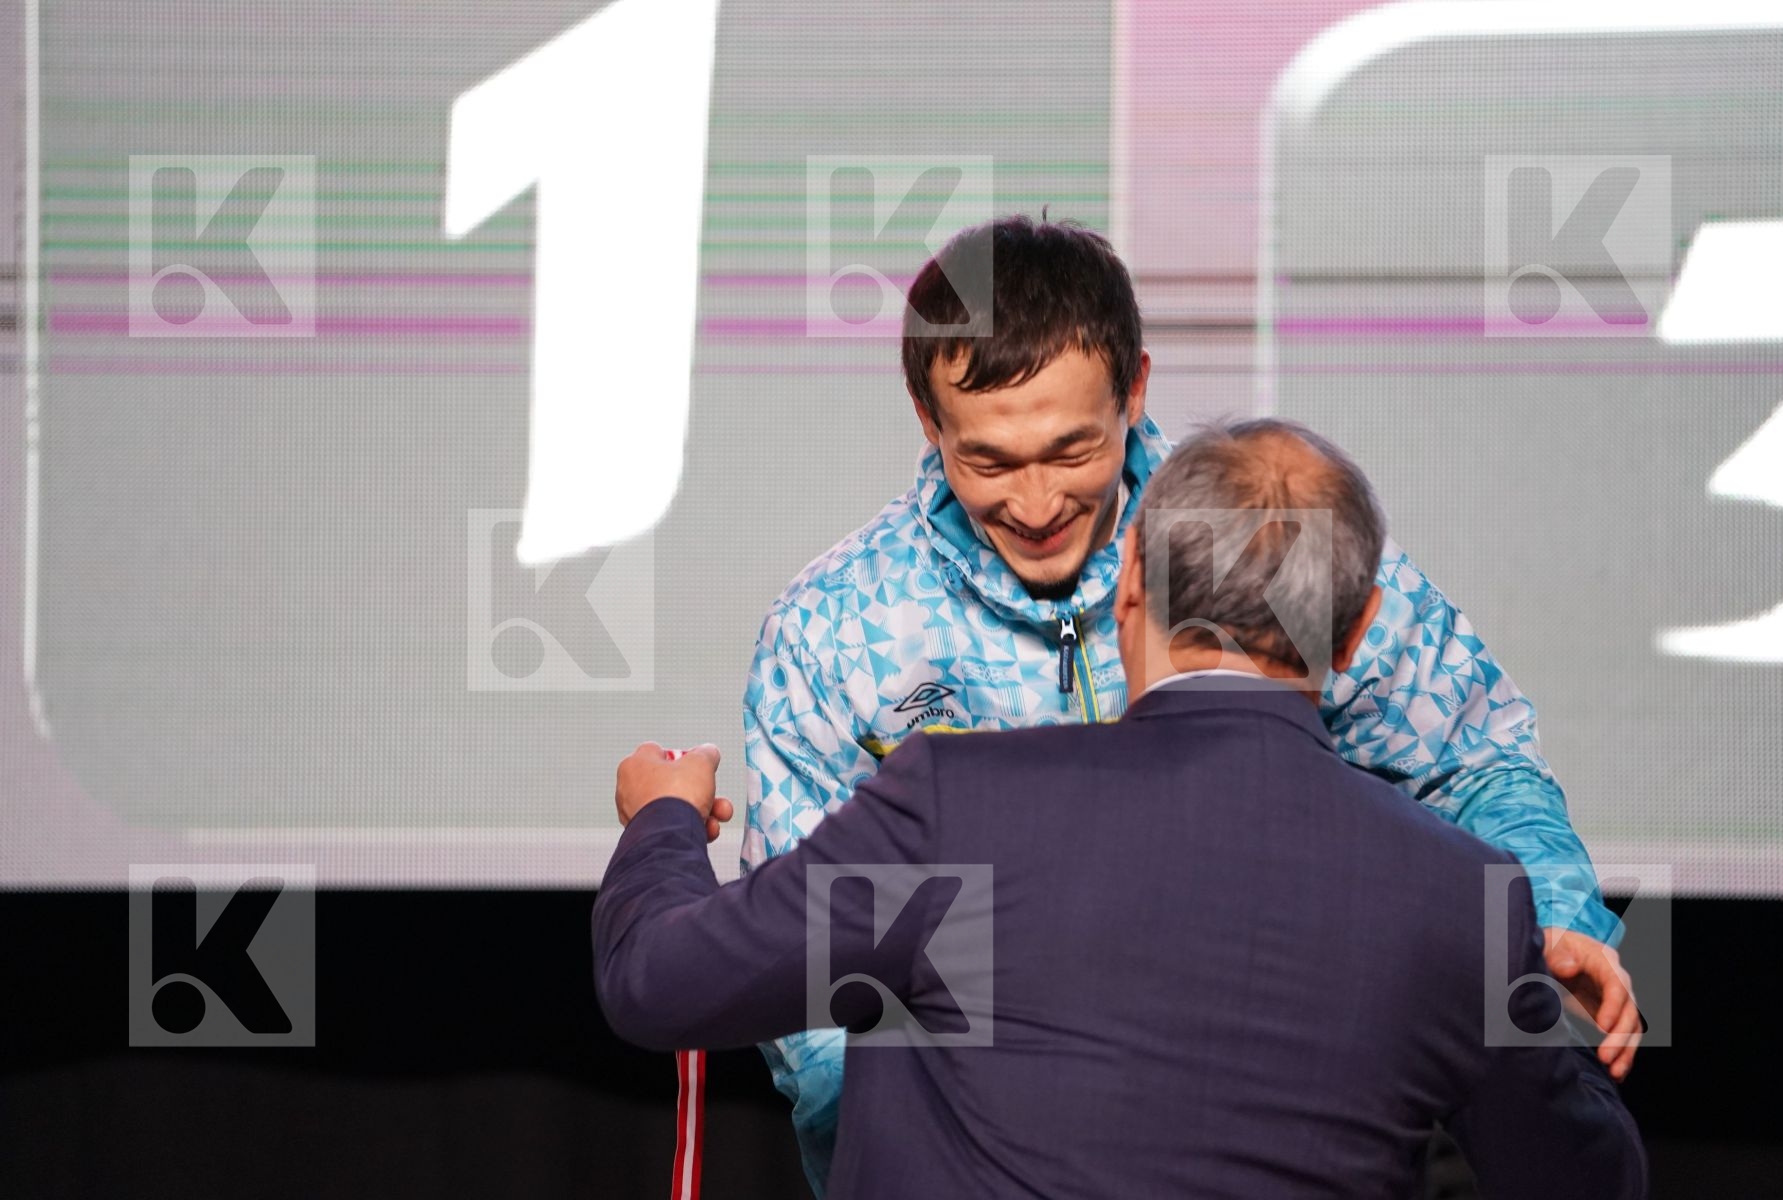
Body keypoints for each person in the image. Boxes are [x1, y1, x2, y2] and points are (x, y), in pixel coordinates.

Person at [739, 215, 1639, 1193]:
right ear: (928, 419)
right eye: (990, 462)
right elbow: (810, 966)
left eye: (1073, 451)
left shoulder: (1273, 536)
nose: (1037, 504)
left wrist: (1555, 913)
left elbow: (1478, 762)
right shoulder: (834, 627)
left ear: (1136, 389)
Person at [594, 420, 1649, 1200]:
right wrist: (1526, 991)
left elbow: (660, 983)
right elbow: (1588, 1182)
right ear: (1366, 625)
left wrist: (665, 822)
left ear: (1130, 588)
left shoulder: (957, 812)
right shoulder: (1458, 900)